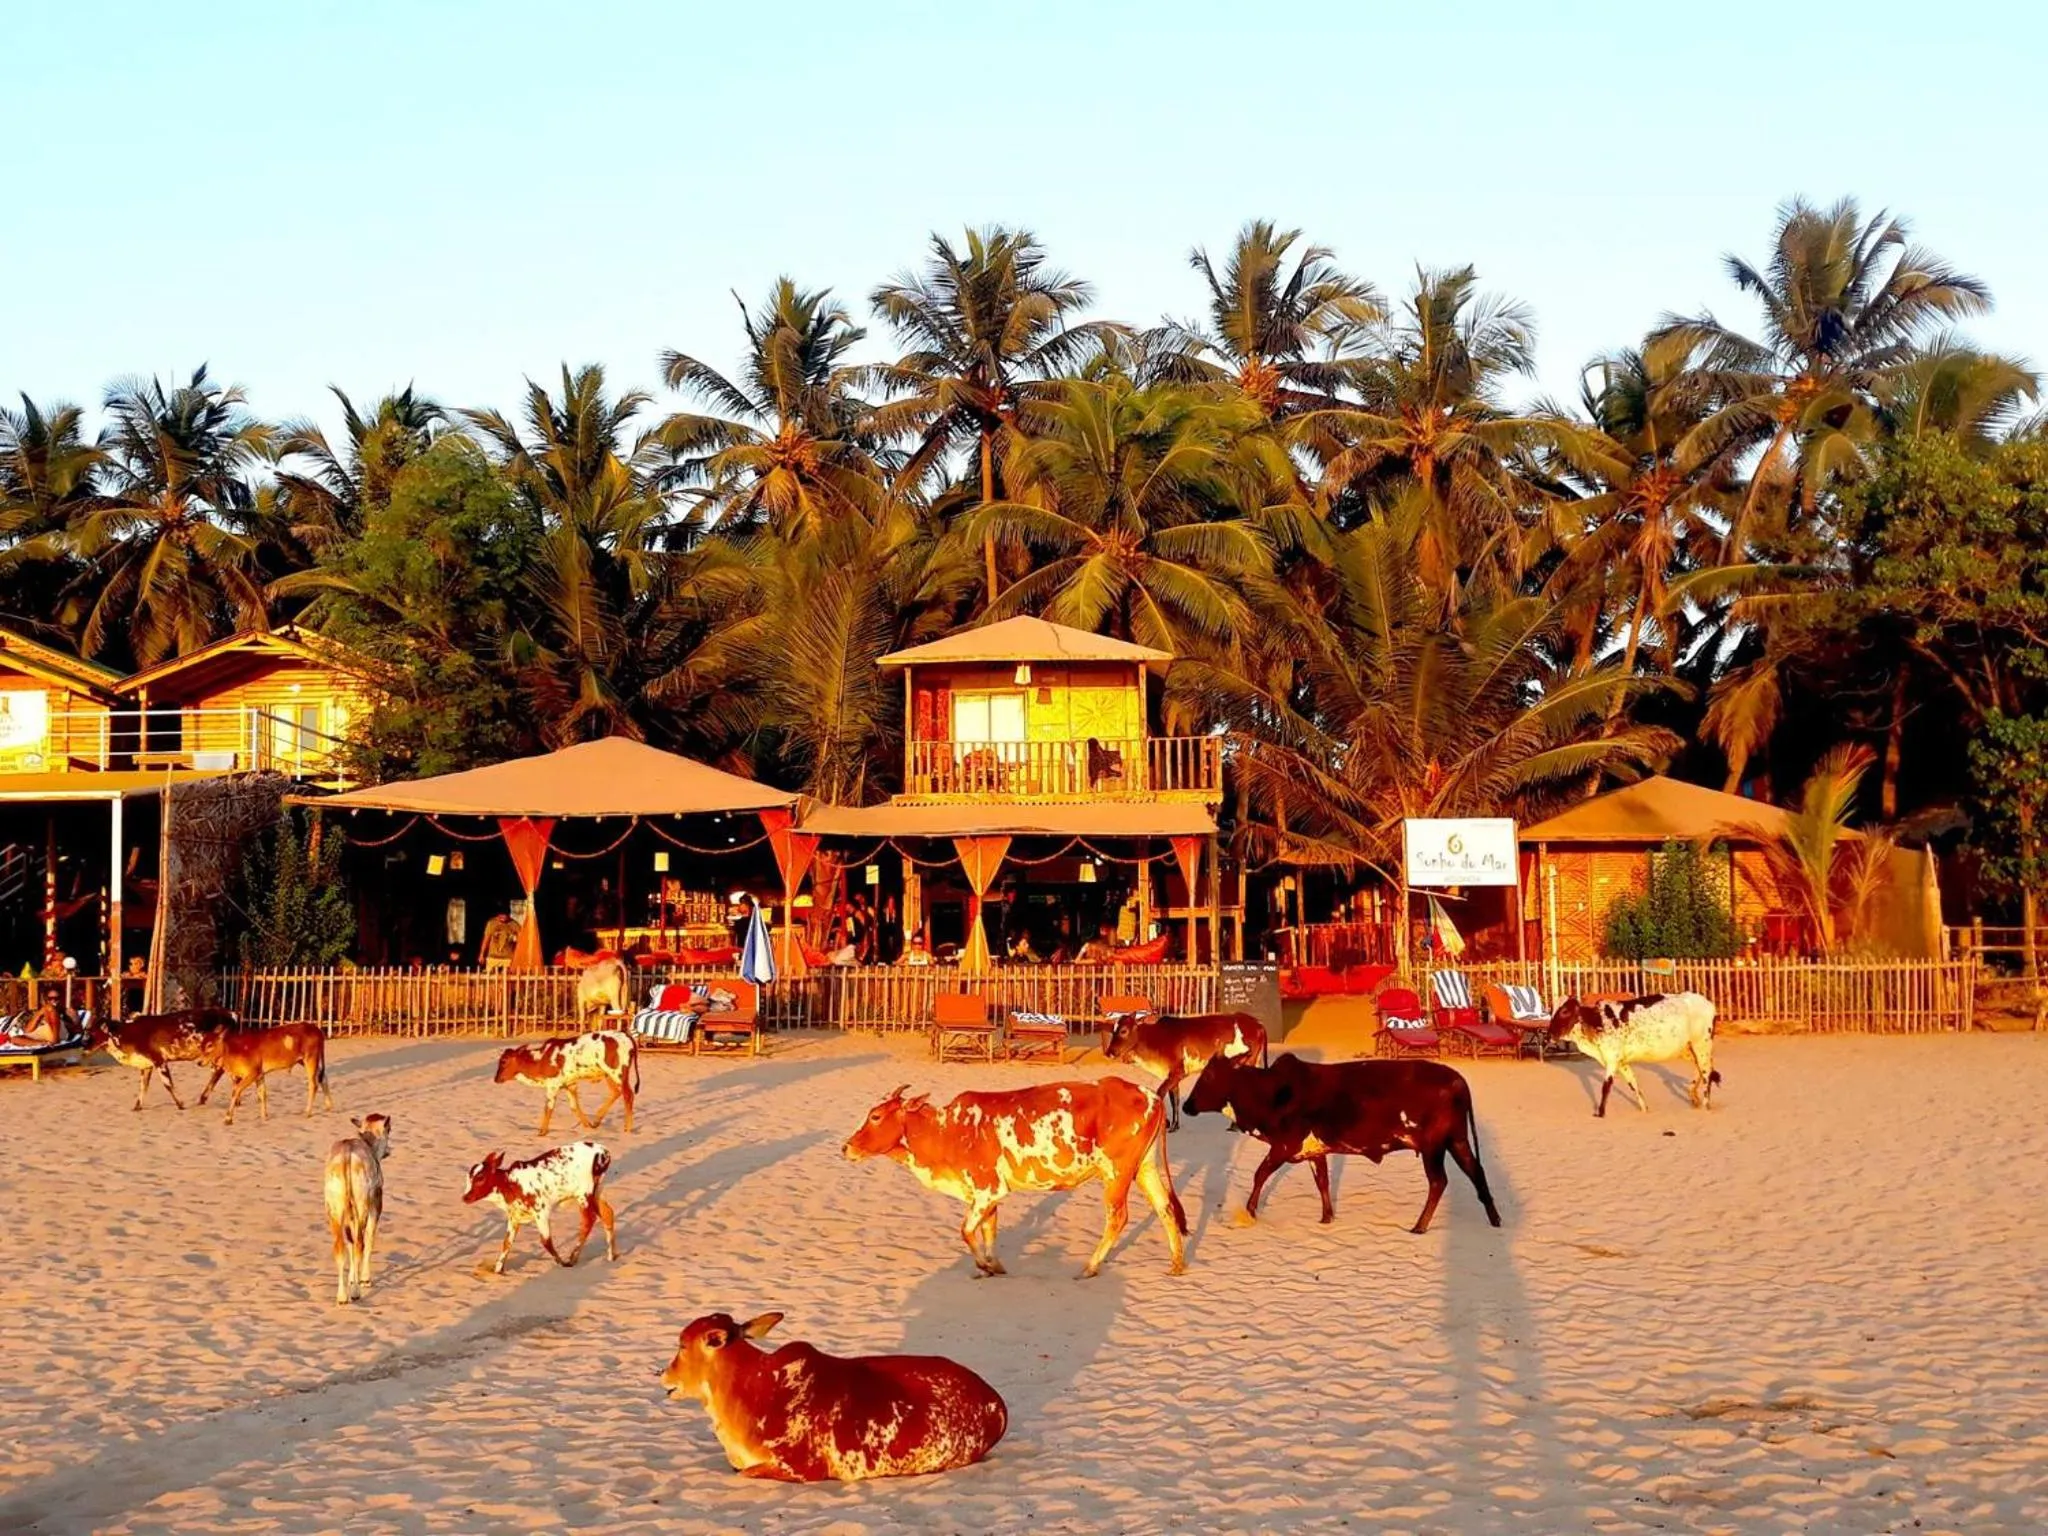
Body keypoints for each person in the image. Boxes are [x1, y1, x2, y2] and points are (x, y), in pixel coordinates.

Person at [876, 895, 904, 965]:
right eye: (889, 904)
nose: (891, 907)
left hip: (896, 952)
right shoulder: (881, 920)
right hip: (884, 953)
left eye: (893, 904)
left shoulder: (898, 919)